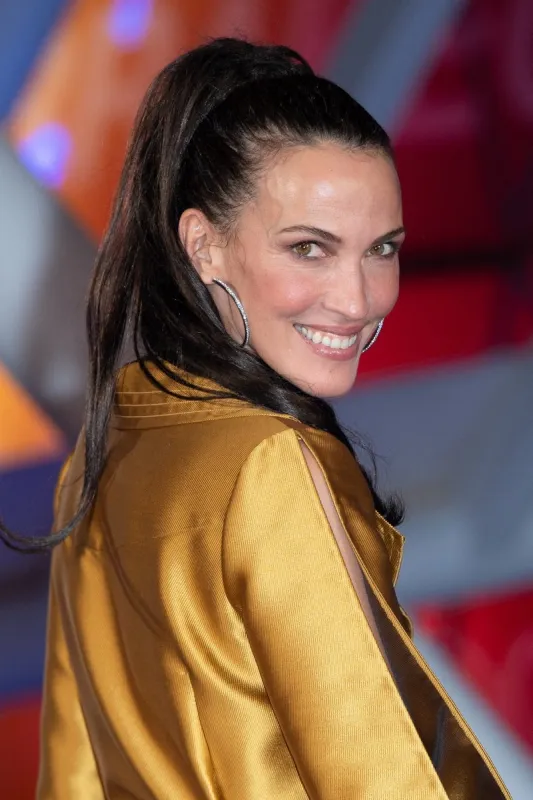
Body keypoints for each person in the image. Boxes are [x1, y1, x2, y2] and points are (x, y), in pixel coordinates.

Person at [1, 37, 511, 799]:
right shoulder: (268, 463)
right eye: (309, 248)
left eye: (381, 249)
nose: (357, 298)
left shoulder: (109, 448)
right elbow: (382, 777)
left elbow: (71, 775)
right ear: (203, 245)